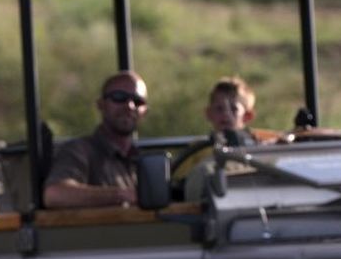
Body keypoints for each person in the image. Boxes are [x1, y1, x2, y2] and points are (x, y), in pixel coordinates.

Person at [43, 70, 149, 209]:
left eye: (137, 101)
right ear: (101, 104)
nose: (129, 106)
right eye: (119, 97)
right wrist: (121, 195)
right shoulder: (80, 151)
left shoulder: (140, 160)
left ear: (145, 111)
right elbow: (54, 194)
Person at [172, 76, 288, 199]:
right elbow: (180, 184)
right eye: (219, 109)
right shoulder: (197, 149)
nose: (226, 115)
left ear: (247, 116)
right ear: (208, 113)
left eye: (234, 109)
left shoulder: (260, 145)